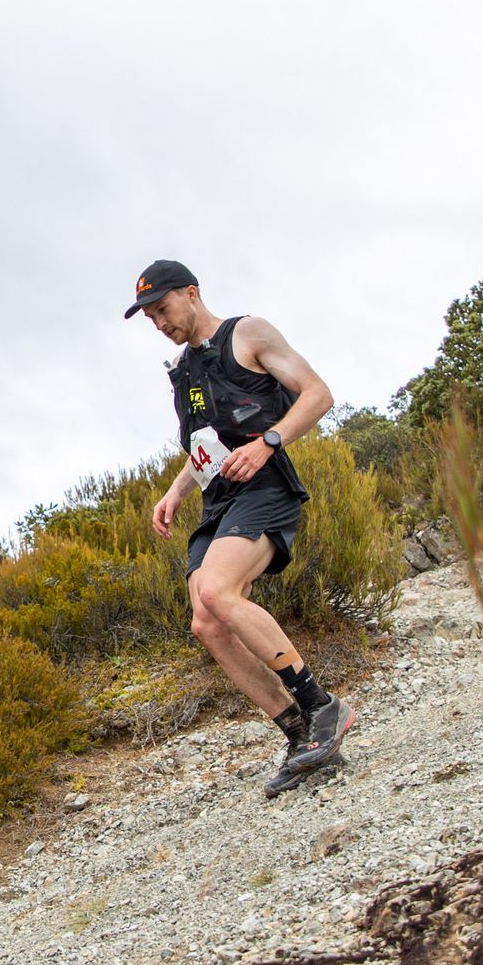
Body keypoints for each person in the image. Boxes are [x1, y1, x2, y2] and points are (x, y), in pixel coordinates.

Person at [125, 259, 353, 795]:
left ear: (192, 294)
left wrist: (269, 442)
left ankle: (323, 708)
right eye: (150, 317)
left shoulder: (246, 334)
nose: (159, 322)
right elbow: (209, 442)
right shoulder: (184, 369)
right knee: (206, 622)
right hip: (218, 501)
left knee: (218, 588)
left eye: (163, 308)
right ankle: (299, 736)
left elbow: (318, 394)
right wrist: (176, 491)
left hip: (266, 485)